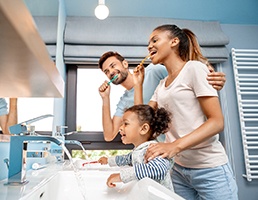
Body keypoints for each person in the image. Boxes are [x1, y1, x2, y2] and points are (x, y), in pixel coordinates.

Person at [133, 24, 238, 200]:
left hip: (209, 168)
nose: (149, 46)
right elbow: (142, 122)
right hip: (179, 170)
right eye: (148, 43)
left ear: (174, 42)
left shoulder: (194, 69)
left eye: (155, 40)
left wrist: (174, 146)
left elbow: (217, 122)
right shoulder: (162, 85)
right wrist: (138, 84)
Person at [98, 51, 226, 142]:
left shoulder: (154, 71)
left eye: (113, 66)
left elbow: (185, 73)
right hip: (167, 148)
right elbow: (109, 135)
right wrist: (105, 98)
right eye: (106, 72)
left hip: (192, 139)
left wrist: (209, 74)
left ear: (125, 64)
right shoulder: (124, 102)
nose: (111, 72)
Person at [98, 104, 174, 190]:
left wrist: (121, 176)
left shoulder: (153, 150)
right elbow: (127, 159)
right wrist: (108, 160)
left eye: (125, 124)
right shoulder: (139, 150)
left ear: (144, 129)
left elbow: (157, 169)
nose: (120, 128)